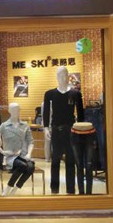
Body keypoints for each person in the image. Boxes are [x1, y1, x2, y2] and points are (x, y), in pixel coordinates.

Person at [43, 66, 84, 194]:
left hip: (71, 131)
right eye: (59, 75)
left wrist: (80, 131)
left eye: (64, 75)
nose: (62, 77)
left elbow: (81, 115)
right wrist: (46, 128)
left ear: (68, 76)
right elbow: (46, 112)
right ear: (56, 77)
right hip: (56, 130)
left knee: (70, 160)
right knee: (55, 160)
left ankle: (70, 189)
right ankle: (54, 188)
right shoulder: (50, 94)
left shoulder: (75, 94)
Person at [0, 103, 35, 196]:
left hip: (23, 155)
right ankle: (8, 187)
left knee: (31, 167)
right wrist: (1, 150)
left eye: (18, 110)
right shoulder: (4, 126)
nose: (16, 112)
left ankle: (15, 189)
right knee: (22, 166)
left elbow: (31, 141)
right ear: (9, 111)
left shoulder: (25, 125)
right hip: (11, 156)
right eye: (14, 109)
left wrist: (29, 154)